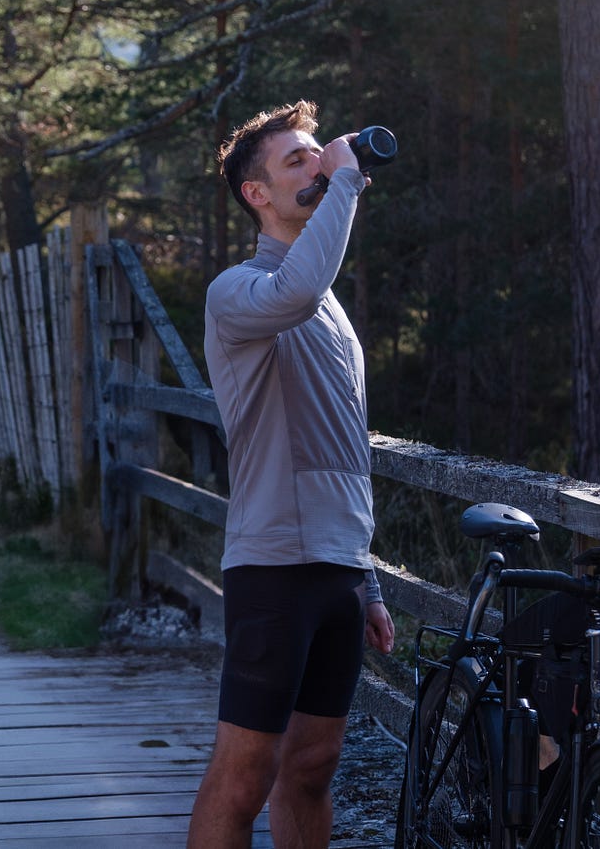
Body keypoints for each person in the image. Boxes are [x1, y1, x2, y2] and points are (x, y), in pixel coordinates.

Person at [188, 101, 396, 849]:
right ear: (258, 195)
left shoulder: (332, 309)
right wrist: (344, 184)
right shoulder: (238, 292)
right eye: (297, 162)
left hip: (338, 568)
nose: (318, 166)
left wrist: (366, 577)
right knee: (244, 777)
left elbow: (346, 447)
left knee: (313, 767)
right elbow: (296, 291)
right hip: (273, 565)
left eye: (319, 154)